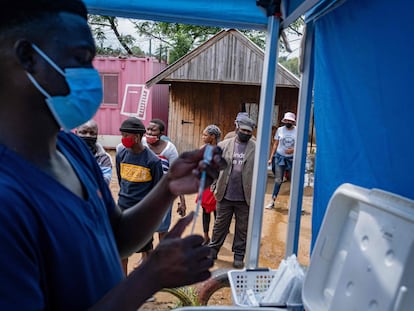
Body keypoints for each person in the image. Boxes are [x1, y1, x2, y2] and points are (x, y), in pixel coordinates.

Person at [0, 1, 227, 310]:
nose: (91, 77)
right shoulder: (7, 198)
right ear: (28, 57)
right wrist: (150, 275)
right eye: (80, 59)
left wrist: (168, 186)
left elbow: (117, 237)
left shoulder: (74, 150)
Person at [116, 117, 164, 275]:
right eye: (122, 135)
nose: (123, 139)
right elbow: (121, 180)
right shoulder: (121, 155)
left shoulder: (152, 161)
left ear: (136, 137)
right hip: (121, 211)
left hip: (142, 213)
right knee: (121, 249)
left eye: (126, 136)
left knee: (146, 249)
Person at [208, 113, 256, 269]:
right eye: (244, 130)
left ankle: (239, 255)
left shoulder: (256, 148)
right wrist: (214, 187)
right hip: (225, 193)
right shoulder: (223, 145)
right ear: (237, 128)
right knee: (220, 225)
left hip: (245, 197)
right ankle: (213, 250)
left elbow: (260, 172)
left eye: (249, 132)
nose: (246, 133)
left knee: (242, 228)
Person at [143, 118, 187, 241]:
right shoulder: (142, 144)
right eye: (148, 129)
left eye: (153, 130)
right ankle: (146, 256)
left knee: (162, 227)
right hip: (144, 193)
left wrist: (182, 201)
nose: (150, 133)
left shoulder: (170, 149)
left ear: (161, 133)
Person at [266, 112, 297, 209]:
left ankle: (296, 204)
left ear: (293, 121)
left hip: (292, 159)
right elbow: (275, 144)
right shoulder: (280, 130)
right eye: (286, 120)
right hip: (280, 158)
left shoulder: (297, 131)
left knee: (294, 181)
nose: (288, 122)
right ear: (284, 121)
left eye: (290, 121)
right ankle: (272, 201)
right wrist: (271, 158)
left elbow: (300, 144)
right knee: (278, 180)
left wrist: (293, 150)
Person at [197, 124, 222, 245]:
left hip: (216, 185)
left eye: (205, 135)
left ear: (212, 137)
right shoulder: (203, 148)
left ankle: (216, 239)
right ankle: (206, 236)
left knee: (218, 213)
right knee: (205, 211)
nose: (203, 137)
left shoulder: (221, 149)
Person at [76, 119, 113, 185]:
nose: (88, 136)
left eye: (92, 133)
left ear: (97, 135)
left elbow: (104, 183)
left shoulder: (104, 158)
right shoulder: (67, 153)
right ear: (76, 133)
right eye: (84, 132)